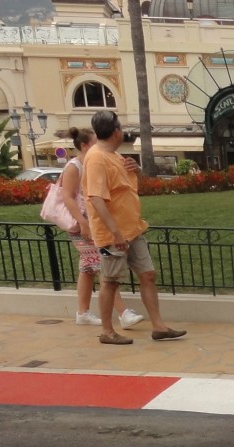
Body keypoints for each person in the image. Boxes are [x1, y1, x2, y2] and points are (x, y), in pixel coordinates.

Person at [82, 109, 185, 345]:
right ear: (116, 131)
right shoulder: (97, 157)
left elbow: (125, 190)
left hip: (132, 230)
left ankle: (159, 327)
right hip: (112, 235)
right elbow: (96, 198)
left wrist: (135, 170)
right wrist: (115, 233)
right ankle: (107, 331)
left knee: (147, 274)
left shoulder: (114, 156)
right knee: (110, 280)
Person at [59, 126, 143, 328]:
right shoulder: (75, 167)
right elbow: (67, 197)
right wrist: (82, 222)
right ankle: (123, 313)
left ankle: (83, 312)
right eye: (96, 141)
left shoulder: (95, 162)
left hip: (93, 221)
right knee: (100, 264)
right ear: (85, 145)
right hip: (85, 224)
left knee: (87, 267)